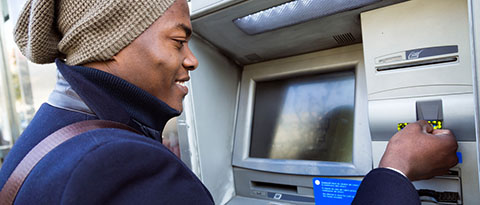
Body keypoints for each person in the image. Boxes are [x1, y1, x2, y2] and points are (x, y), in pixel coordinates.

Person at [0, 0, 458, 204]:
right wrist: (395, 171)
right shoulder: (119, 165)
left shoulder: (47, 136)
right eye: (179, 40)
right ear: (114, 41)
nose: (193, 60)